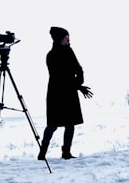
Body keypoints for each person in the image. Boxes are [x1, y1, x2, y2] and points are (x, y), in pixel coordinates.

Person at [38, 26, 92, 160]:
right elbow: (60, 77)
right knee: (53, 125)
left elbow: (78, 68)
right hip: (56, 94)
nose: (68, 40)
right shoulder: (52, 55)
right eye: (65, 38)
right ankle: (42, 153)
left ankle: (66, 152)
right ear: (58, 39)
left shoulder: (69, 51)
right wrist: (78, 86)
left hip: (70, 92)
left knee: (70, 124)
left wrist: (79, 82)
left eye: (68, 38)